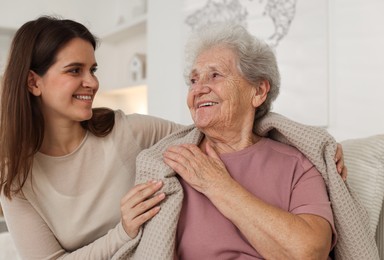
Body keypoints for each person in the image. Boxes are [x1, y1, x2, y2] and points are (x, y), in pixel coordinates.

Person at [0, 16, 346, 259]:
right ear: (34, 83)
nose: (91, 82)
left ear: (259, 90)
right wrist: (123, 231)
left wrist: (310, 142)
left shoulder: (133, 132)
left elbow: (221, 125)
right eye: (193, 80)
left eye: (92, 69)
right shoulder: (14, 177)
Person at [161, 22, 337, 259]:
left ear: (258, 91)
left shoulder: (297, 165)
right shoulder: (173, 161)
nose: (199, 90)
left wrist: (218, 186)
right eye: (193, 81)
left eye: (215, 75)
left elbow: (309, 252)